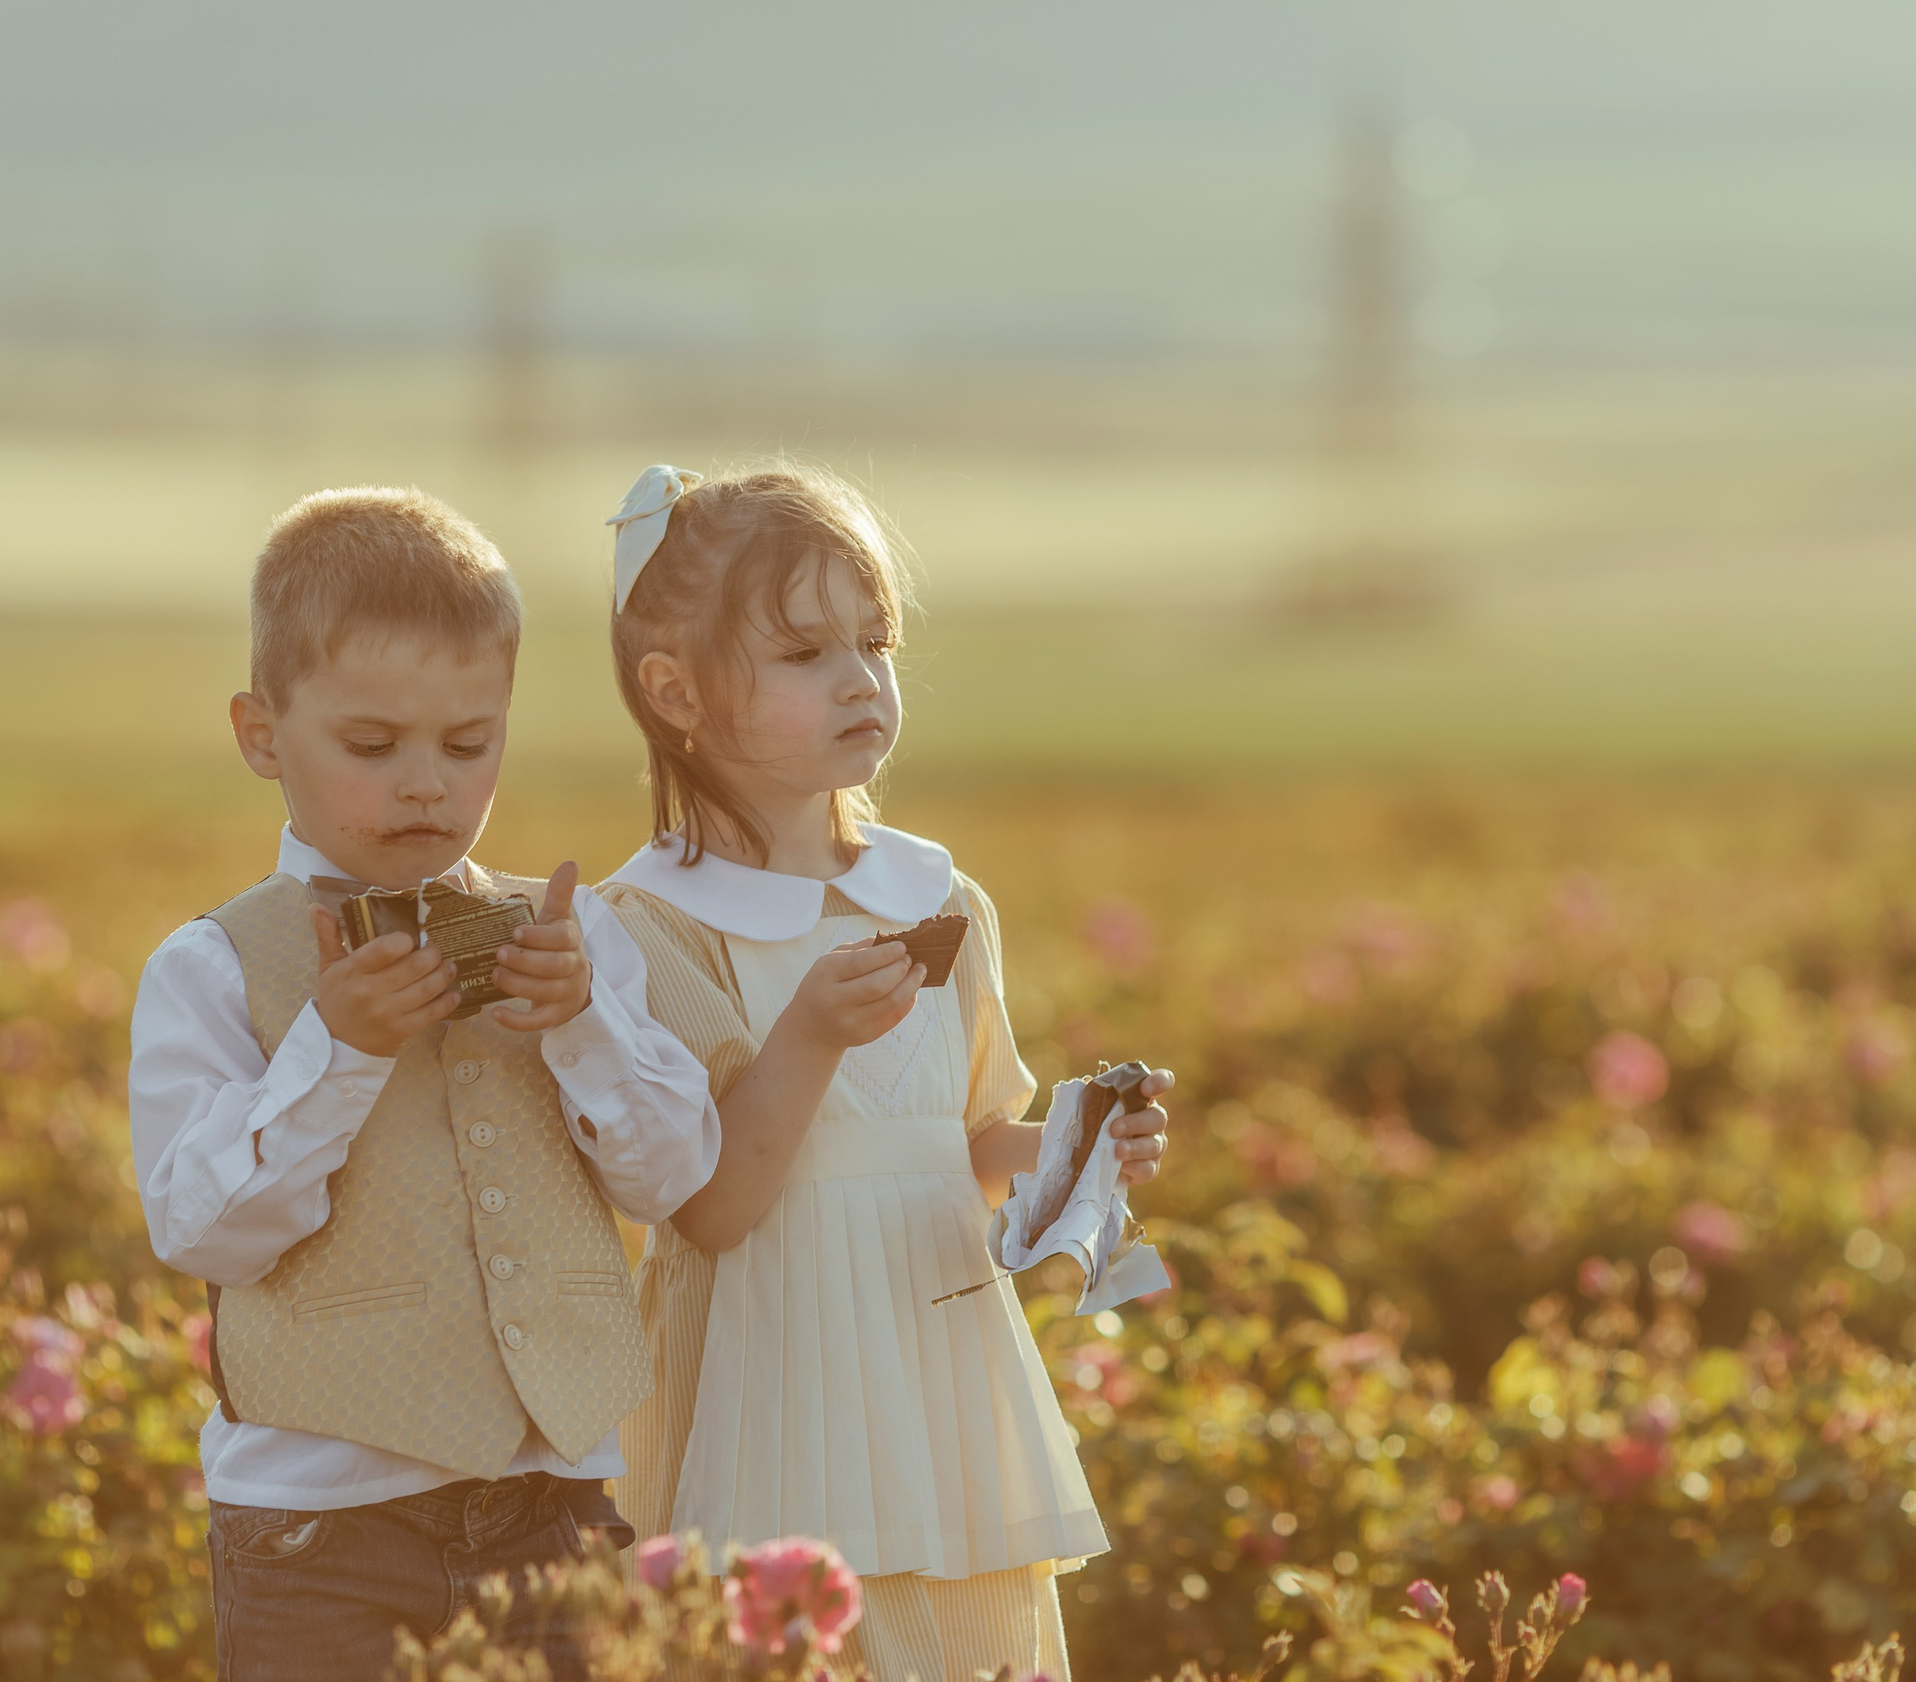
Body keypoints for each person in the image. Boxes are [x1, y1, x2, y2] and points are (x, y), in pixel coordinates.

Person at [128, 487, 721, 1680]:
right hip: (319, 1534)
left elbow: (672, 1180)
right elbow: (205, 1230)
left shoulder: (573, 940)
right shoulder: (209, 968)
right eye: (371, 746)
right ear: (260, 734)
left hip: (558, 1514)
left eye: (467, 745)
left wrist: (582, 1026)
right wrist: (335, 1053)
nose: (424, 786)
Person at [595, 464, 1175, 1682]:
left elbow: (963, 1148)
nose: (859, 678)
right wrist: (805, 1037)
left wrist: (1073, 1147)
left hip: (937, 1376)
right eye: (802, 653)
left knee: (968, 1640)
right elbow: (712, 1208)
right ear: (673, 691)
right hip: (768, 1385)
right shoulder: (654, 927)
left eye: (875, 640)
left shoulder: (937, 897)